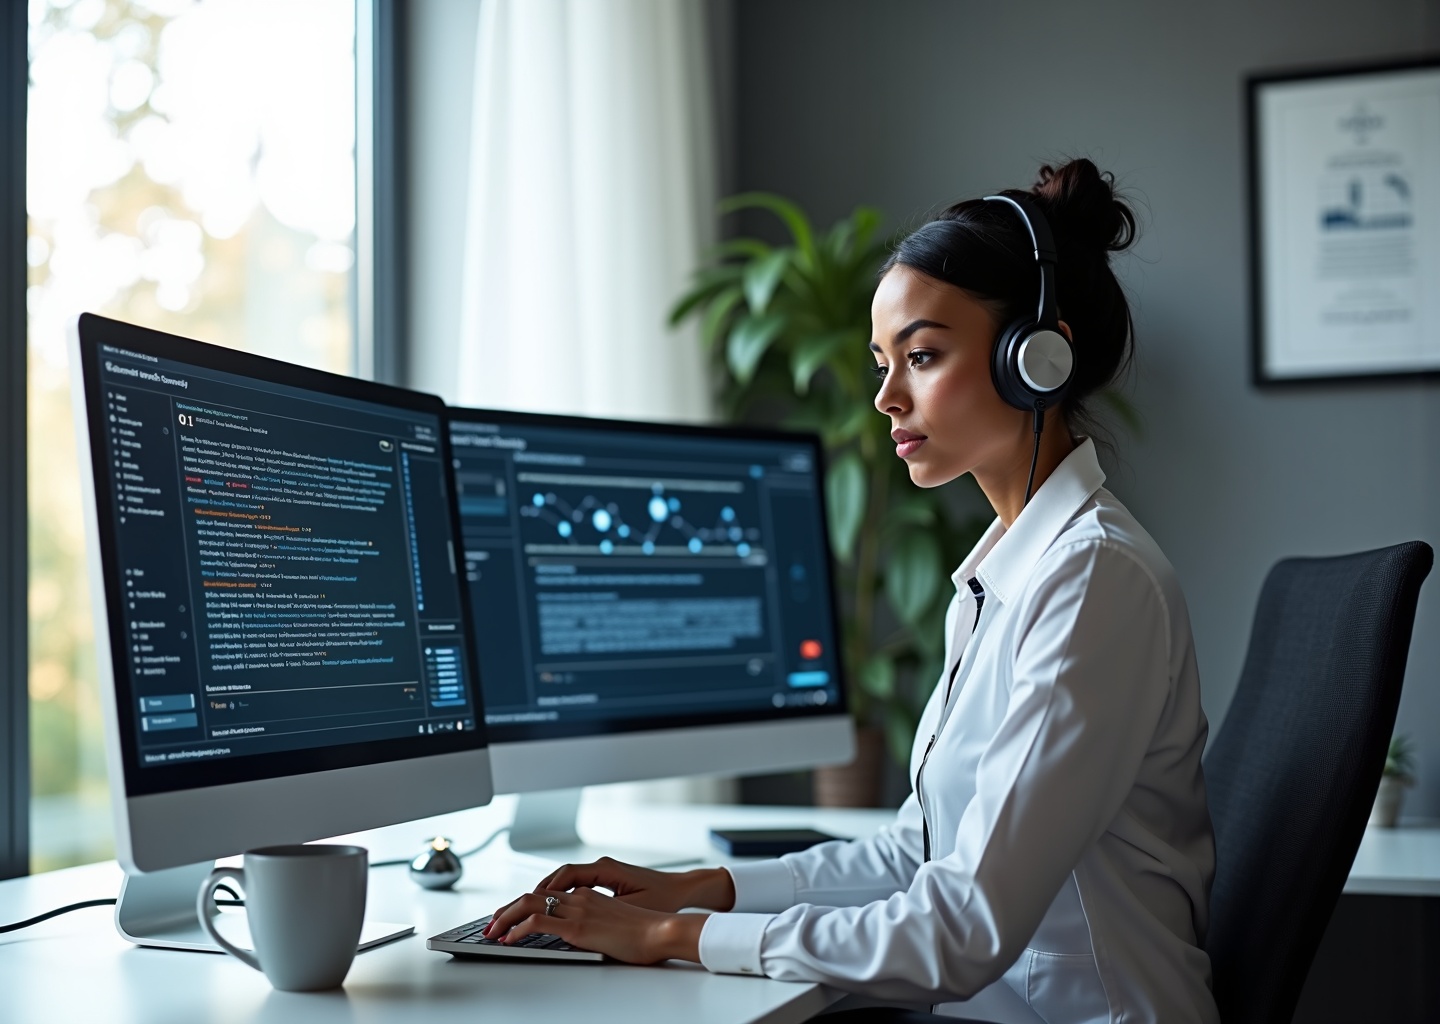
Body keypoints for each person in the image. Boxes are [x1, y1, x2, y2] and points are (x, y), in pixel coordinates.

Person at [484, 158, 1219, 1024]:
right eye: (883, 363)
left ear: (1036, 360)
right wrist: (703, 890)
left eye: (923, 356)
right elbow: (918, 854)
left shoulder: (1093, 581)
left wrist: (672, 936)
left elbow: (959, 930)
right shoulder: (1006, 574)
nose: (886, 398)